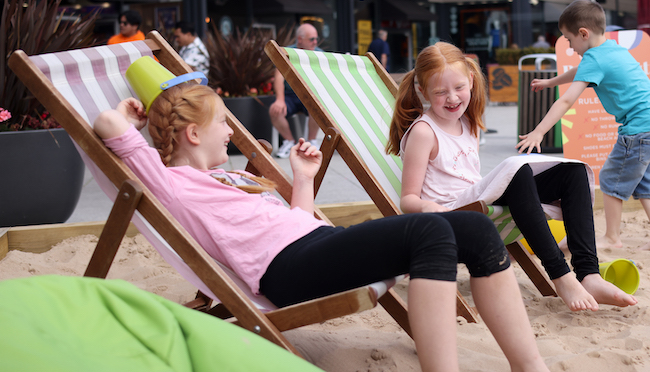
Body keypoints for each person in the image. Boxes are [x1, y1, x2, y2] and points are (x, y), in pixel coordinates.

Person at [94, 64, 550, 372]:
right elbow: (109, 127)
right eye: (223, 124)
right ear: (193, 133)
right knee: (429, 230)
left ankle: (531, 367)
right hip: (287, 271)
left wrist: (303, 179)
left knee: (474, 226)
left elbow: (293, 223)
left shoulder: (227, 178)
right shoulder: (170, 182)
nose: (231, 132)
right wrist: (127, 112)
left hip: (311, 246)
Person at [386, 42, 637, 312]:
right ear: (422, 91)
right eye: (440, 92)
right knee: (516, 171)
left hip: (479, 203)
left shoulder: (468, 123)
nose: (452, 98)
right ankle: (561, 276)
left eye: (458, 88)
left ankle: (589, 274)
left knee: (572, 171)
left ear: (471, 80)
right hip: (452, 215)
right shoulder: (424, 132)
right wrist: (426, 207)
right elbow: (408, 199)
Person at [518, 0, 650, 251]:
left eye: (569, 40)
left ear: (583, 34)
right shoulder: (613, 49)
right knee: (648, 182)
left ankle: (612, 237)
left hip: (640, 129)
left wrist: (539, 132)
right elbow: (581, 71)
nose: (569, 46)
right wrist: (551, 82)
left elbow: (567, 99)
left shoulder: (594, 59)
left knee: (611, 178)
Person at [269, 23, 322, 158]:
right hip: (291, 94)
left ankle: (311, 142)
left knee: (318, 106)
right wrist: (280, 100)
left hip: (310, 94)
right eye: (311, 39)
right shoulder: (287, 52)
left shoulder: (320, 54)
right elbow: (278, 77)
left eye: (316, 39)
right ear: (300, 39)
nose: (315, 42)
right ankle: (289, 142)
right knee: (275, 110)